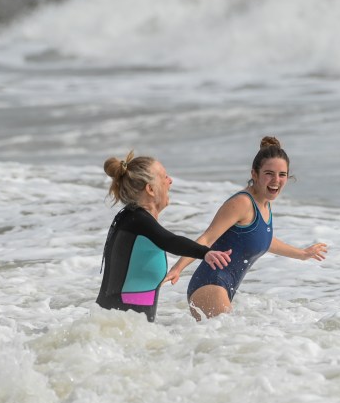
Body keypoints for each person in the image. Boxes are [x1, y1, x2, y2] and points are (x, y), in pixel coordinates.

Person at [165, 136, 328, 320]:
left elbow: (263, 239)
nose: (276, 180)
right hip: (210, 285)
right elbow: (207, 239)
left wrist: (301, 254)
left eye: (282, 174)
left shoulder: (264, 204)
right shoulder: (242, 203)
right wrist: (177, 268)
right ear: (254, 174)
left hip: (222, 288)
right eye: (269, 173)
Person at [97, 151, 231, 322]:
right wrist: (205, 253)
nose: (170, 181)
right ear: (150, 189)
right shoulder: (138, 221)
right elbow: (170, 241)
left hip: (114, 319)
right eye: (164, 177)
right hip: (121, 319)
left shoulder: (130, 218)